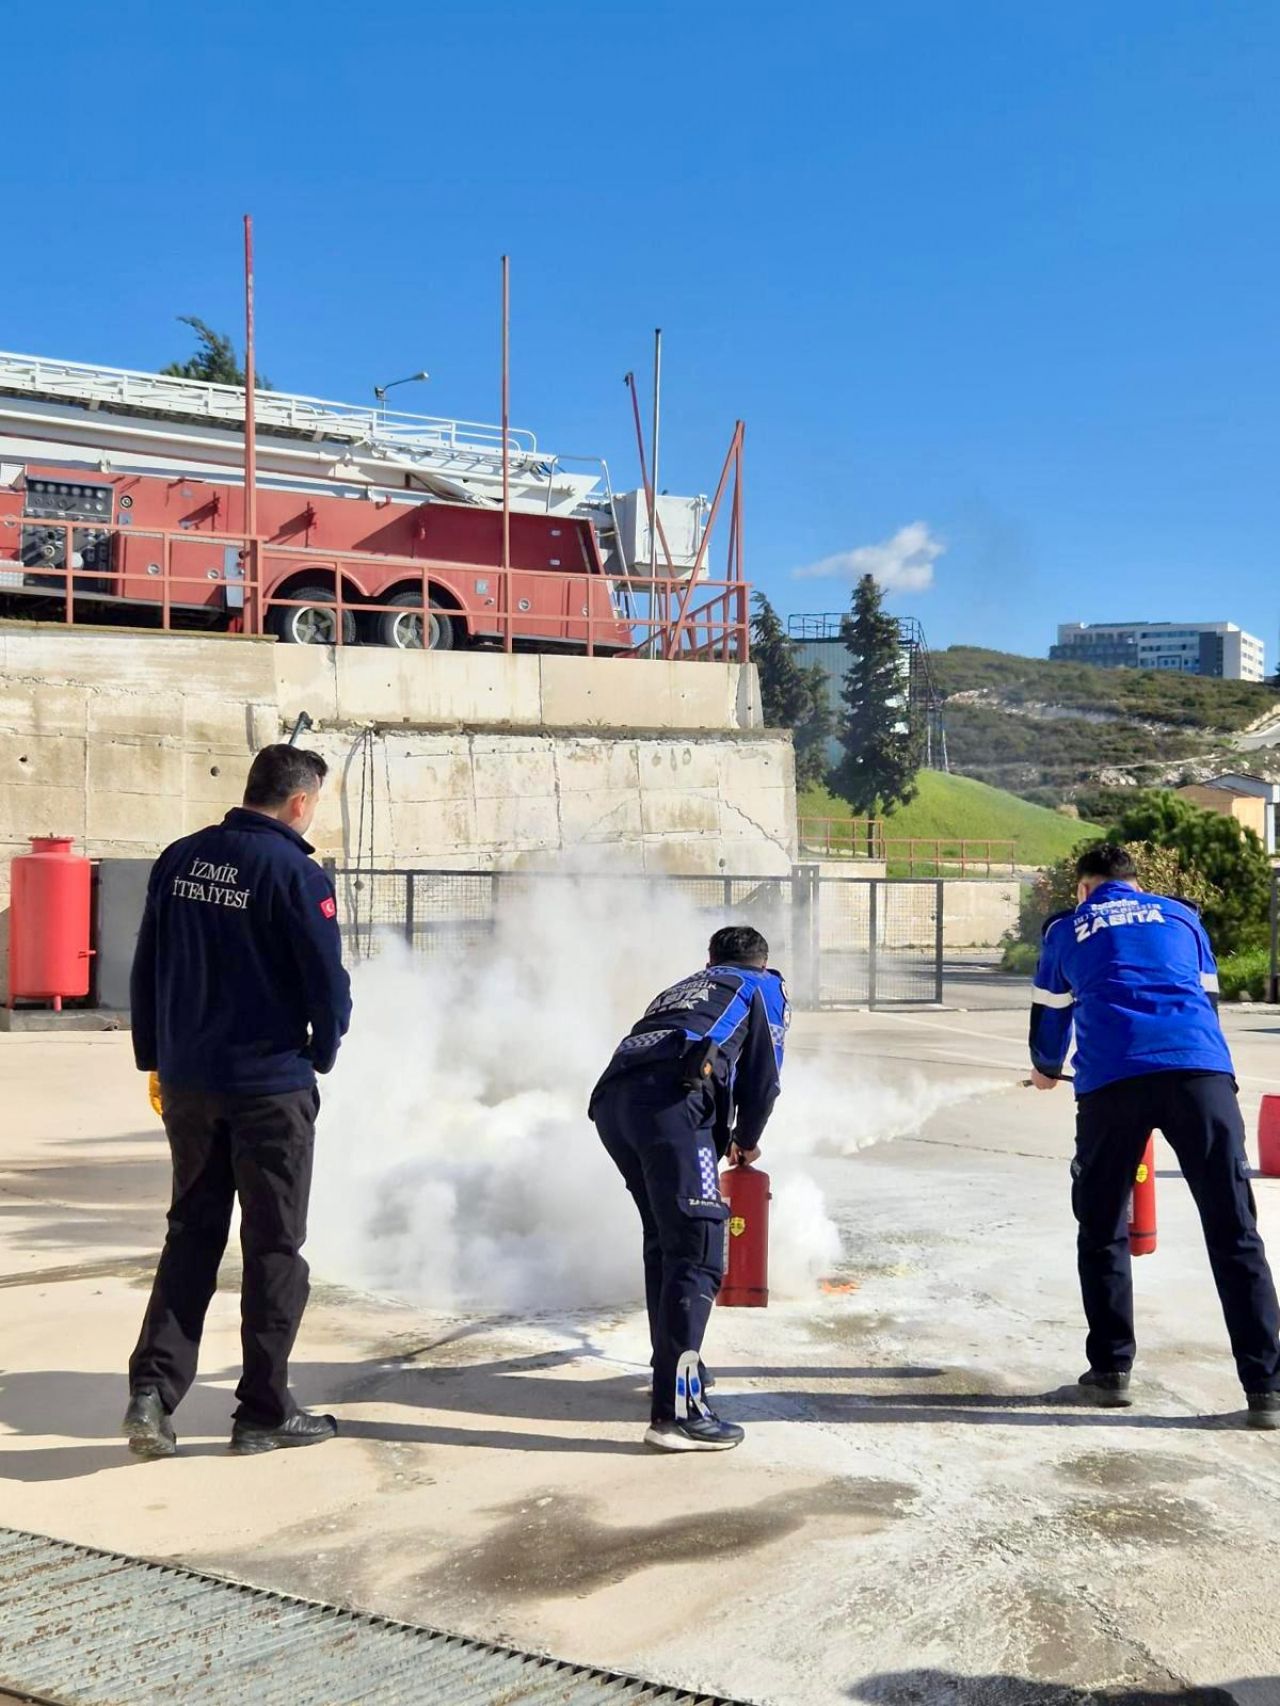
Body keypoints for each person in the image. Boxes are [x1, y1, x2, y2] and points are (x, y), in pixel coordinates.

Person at [123, 744, 353, 1459]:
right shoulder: (296, 871)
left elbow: (147, 965)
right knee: (274, 1245)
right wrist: (324, 1050)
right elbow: (328, 984)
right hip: (268, 1088)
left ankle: (152, 1396)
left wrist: (154, 1058)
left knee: (191, 1232)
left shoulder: (181, 858)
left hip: (190, 1085)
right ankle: (262, 1411)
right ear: (300, 802)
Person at [1030, 842, 1280, 1428]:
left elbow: (1050, 1015)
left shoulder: (1069, 928)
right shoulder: (1182, 917)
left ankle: (1111, 1372)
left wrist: (1045, 1068)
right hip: (1201, 1074)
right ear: (1136, 883)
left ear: (1086, 886)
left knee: (1101, 1227)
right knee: (1235, 1230)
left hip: (1114, 1081)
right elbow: (1207, 999)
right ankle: (1267, 1388)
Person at [590, 925, 789, 1452]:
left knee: (667, 1242)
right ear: (763, 962)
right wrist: (746, 1139)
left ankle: (677, 1371)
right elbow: (764, 1078)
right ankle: (676, 1413)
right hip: (671, 1106)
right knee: (700, 1247)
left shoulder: (683, 988)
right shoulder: (761, 986)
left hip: (613, 1104)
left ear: (710, 958)